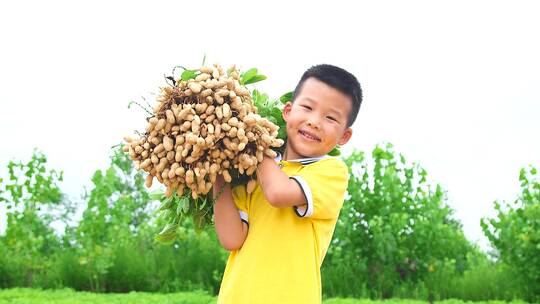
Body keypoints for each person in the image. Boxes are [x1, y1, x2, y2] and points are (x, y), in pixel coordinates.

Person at [213, 64, 363, 303]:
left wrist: (253, 136)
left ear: (344, 136)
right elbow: (231, 239)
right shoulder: (254, 172)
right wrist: (217, 171)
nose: (314, 121)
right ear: (287, 111)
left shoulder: (330, 171)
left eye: (331, 118)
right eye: (307, 107)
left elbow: (278, 193)